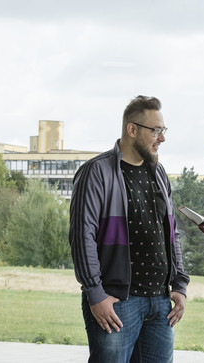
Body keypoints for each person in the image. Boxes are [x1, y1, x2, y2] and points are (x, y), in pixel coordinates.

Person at [69, 95, 190, 363]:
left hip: (160, 303)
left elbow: (172, 235)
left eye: (163, 130)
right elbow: (82, 237)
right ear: (132, 129)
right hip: (116, 301)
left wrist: (179, 285)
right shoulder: (96, 172)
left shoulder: (158, 173)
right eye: (156, 130)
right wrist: (95, 294)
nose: (162, 138)